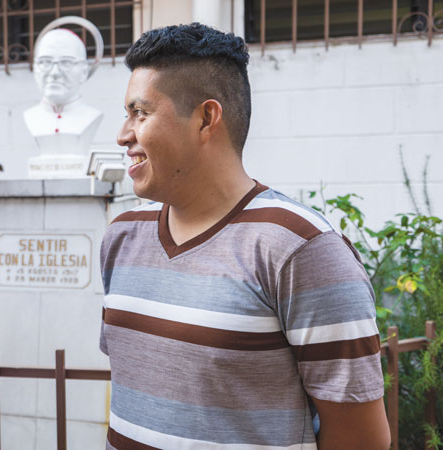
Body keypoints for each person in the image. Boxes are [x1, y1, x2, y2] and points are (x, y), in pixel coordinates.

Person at [99, 24, 390, 450]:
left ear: (206, 118)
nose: (123, 134)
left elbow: (361, 439)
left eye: (140, 113)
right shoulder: (123, 236)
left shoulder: (300, 249)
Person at [23, 28, 103, 156]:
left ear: (83, 72)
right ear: (35, 69)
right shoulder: (29, 116)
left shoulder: (92, 116)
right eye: (45, 62)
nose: (55, 72)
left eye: (66, 62)